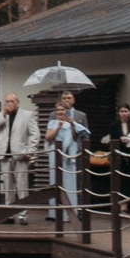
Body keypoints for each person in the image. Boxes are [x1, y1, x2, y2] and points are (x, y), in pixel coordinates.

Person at [0, 91, 40, 215]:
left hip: (20, 155)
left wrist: (30, 150)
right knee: (8, 187)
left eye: (12, 101)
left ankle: (22, 213)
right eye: (7, 101)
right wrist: (3, 114)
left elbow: (35, 134)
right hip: (5, 154)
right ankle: (9, 213)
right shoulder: (1, 115)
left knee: (21, 185)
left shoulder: (27, 115)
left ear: (17, 102)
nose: (9, 104)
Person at [43, 93, 86, 223]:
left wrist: (72, 125)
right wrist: (58, 127)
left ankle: (69, 213)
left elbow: (75, 137)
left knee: (69, 184)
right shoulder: (52, 122)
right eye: (58, 110)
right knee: (55, 181)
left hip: (68, 156)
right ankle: (54, 212)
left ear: (66, 111)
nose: (60, 112)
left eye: (62, 110)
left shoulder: (72, 122)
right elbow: (48, 137)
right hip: (55, 155)